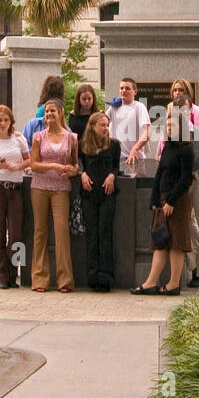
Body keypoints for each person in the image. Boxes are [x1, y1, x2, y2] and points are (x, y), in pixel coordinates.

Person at [132, 105, 194, 296]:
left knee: (176, 243)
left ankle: (174, 283)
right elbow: (159, 173)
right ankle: (151, 282)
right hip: (163, 199)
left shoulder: (186, 149)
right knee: (160, 241)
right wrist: (154, 198)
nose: (168, 129)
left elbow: (186, 179)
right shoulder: (167, 147)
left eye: (172, 125)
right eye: (166, 126)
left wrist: (171, 202)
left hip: (178, 201)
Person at [161, 79, 199, 289]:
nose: (180, 110)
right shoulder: (170, 127)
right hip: (181, 181)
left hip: (197, 177)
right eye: (176, 107)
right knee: (187, 226)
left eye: (183, 107)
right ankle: (193, 265)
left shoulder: (194, 123)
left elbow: (195, 152)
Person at [0, 104, 31, 289]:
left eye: (5, 120)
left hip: (16, 187)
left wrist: (18, 166)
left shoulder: (19, 140)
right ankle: (1, 275)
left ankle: (14, 270)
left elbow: (29, 159)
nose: (2, 123)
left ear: (11, 122)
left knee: (17, 232)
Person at [29, 99, 78, 292]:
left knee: (61, 232)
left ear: (60, 113)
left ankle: (65, 280)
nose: (49, 115)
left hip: (61, 189)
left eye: (52, 112)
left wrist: (72, 171)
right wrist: (53, 166)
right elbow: (33, 164)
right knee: (40, 232)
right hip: (39, 186)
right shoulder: (38, 136)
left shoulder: (71, 137)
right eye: (46, 112)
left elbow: (75, 164)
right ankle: (39, 279)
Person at [79, 111, 120, 291]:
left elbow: (117, 166)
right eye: (101, 125)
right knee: (92, 235)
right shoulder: (83, 145)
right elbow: (80, 164)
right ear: (93, 127)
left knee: (105, 233)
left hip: (107, 193)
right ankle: (92, 275)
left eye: (106, 125)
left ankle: (106, 276)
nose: (105, 128)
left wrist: (112, 175)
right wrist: (83, 174)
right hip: (89, 193)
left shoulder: (114, 145)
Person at [108, 77, 151, 176]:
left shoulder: (139, 107)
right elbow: (102, 123)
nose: (123, 90)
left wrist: (135, 149)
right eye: (121, 88)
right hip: (116, 159)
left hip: (134, 160)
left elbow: (147, 132)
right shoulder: (114, 107)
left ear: (135, 91)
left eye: (127, 88)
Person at [22, 75, 65, 145]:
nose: (49, 113)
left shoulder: (42, 109)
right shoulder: (41, 111)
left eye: (52, 111)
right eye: (47, 111)